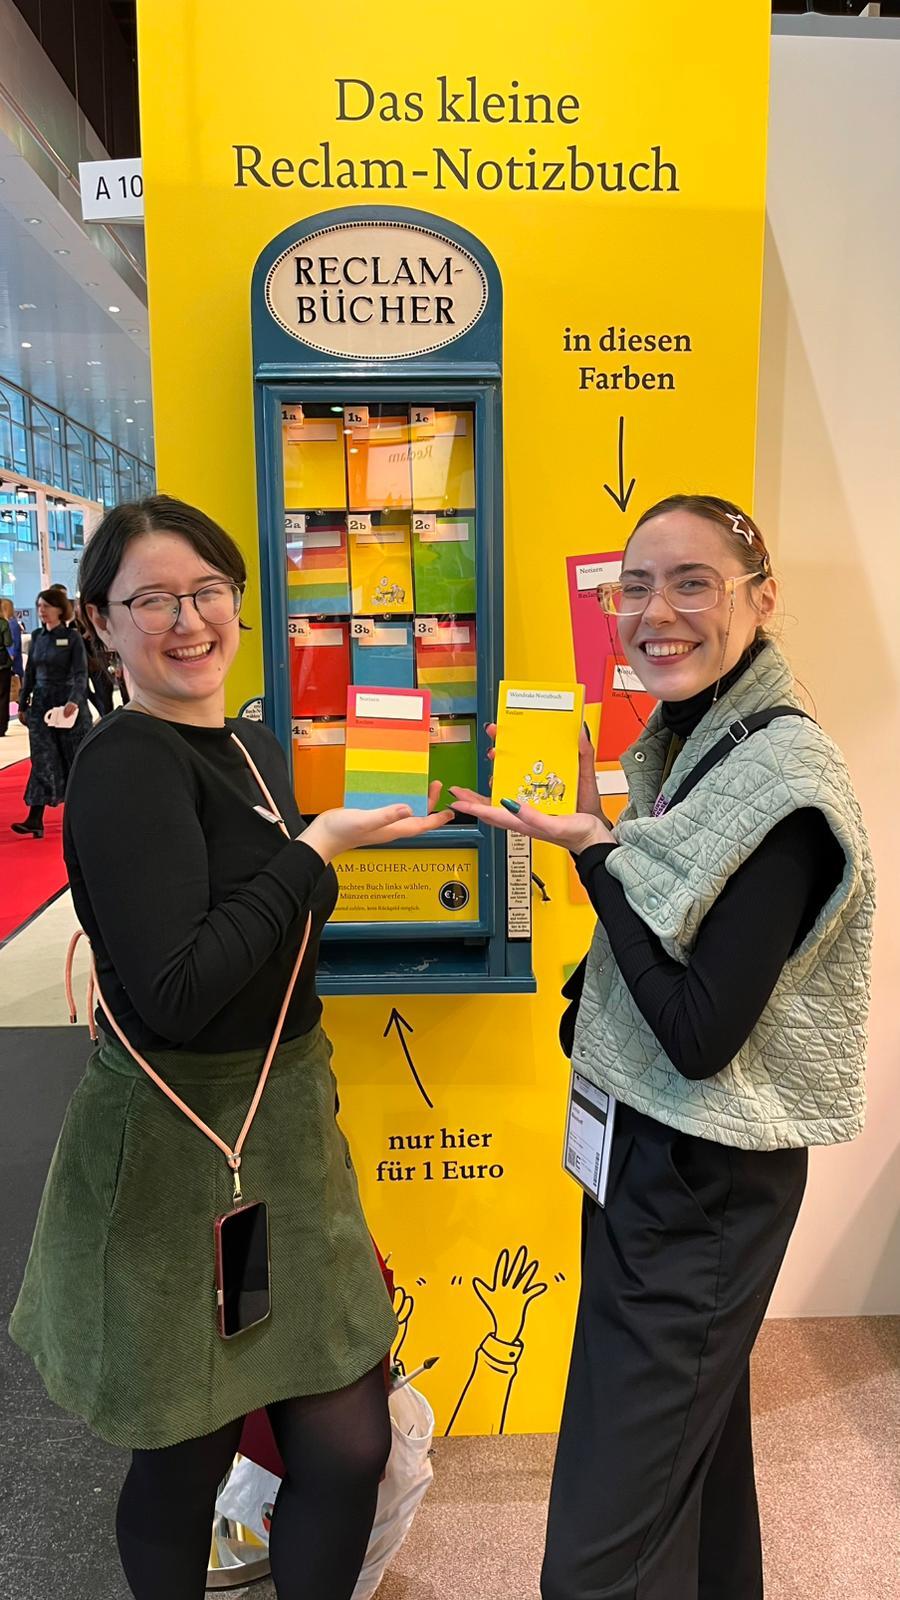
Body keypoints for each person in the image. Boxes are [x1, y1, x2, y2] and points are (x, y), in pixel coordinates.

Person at [9, 495, 454, 1600]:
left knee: (347, 1443)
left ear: (240, 605)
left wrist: (339, 841)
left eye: (207, 591)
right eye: (150, 599)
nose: (186, 619)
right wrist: (316, 850)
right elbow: (176, 993)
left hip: (281, 1136)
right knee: (188, 1438)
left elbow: (264, 932)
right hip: (183, 1147)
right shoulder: (127, 763)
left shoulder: (250, 742)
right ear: (103, 624)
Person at [450, 494, 875, 1600]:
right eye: (633, 586)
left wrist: (597, 853)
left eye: (693, 582)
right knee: (692, 1472)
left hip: (704, 1182)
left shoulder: (781, 789)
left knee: (596, 1555)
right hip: (654, 1165)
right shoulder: (696, 745)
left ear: (762, 597)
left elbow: (696, 1034)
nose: (655, 611)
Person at [12, 586, 92, 836]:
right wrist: (23, 703)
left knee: (73, 759)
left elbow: (81, 674)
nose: (41, 611)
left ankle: (84, 816)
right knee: (42, 760)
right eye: (39, 606)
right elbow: (32, 673)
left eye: (46, 606)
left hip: (67, 708)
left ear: (60, 609)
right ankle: (35, 818)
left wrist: (75, 702)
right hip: (42, 706)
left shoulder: (72, 639)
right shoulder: (37, 637)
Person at [0, 602, 13, 735]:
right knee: (3, 696)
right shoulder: (3, 623)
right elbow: (8, 642)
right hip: (3, 663)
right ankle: (2, 727)